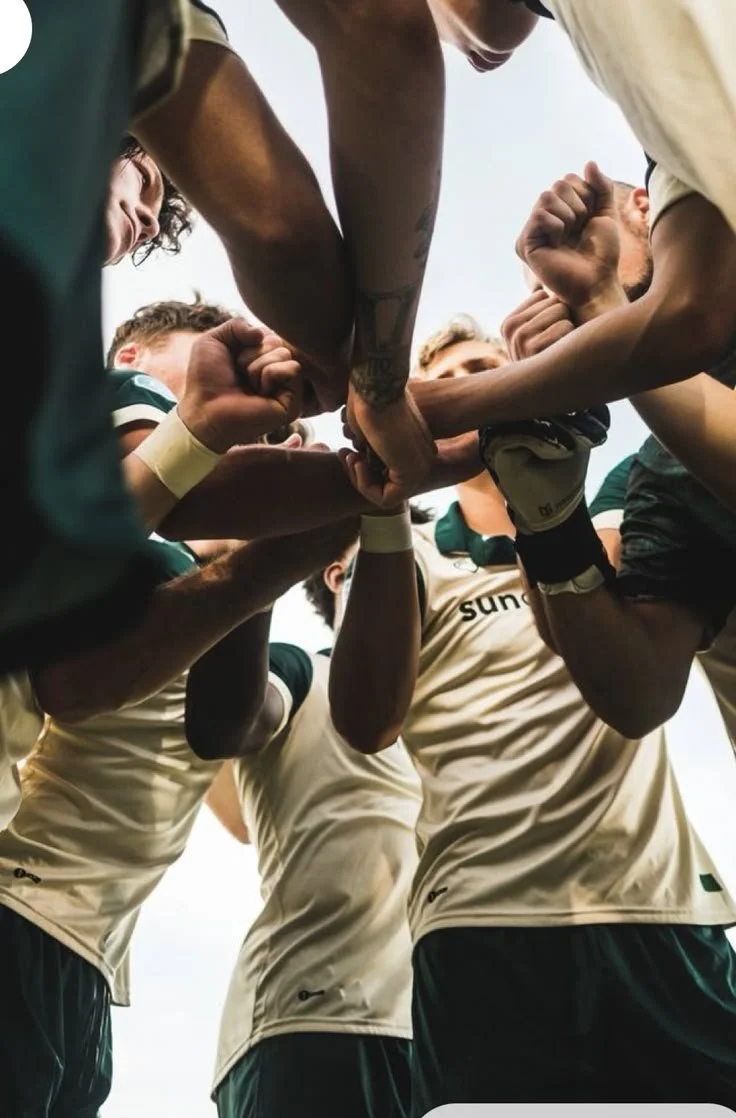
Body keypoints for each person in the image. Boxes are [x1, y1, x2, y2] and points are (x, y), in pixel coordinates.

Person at [326, 316, 736, 1110]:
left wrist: (544, 513)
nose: (479, 386)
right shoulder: (409, 553)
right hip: (483, 918)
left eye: (495, 368)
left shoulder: (619, 507)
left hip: (657, 904)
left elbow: (623, 663)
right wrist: (385, 507)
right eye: (454, 377)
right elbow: (367, 722)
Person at [0, 320, 357, 1116]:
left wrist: (263, 545)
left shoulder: (229, 608)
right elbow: (72, 681)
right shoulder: (101, 429)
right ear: (132, 357)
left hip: (88, 954)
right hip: (23, 905)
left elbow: (226, 724)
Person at [186, 536, 425, 1118]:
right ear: (338, 577)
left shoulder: (454, 719)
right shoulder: (299, 673)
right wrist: (247, 560)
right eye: (380, 558)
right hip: (314, 1023)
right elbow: (232, 725)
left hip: (433, 1037)